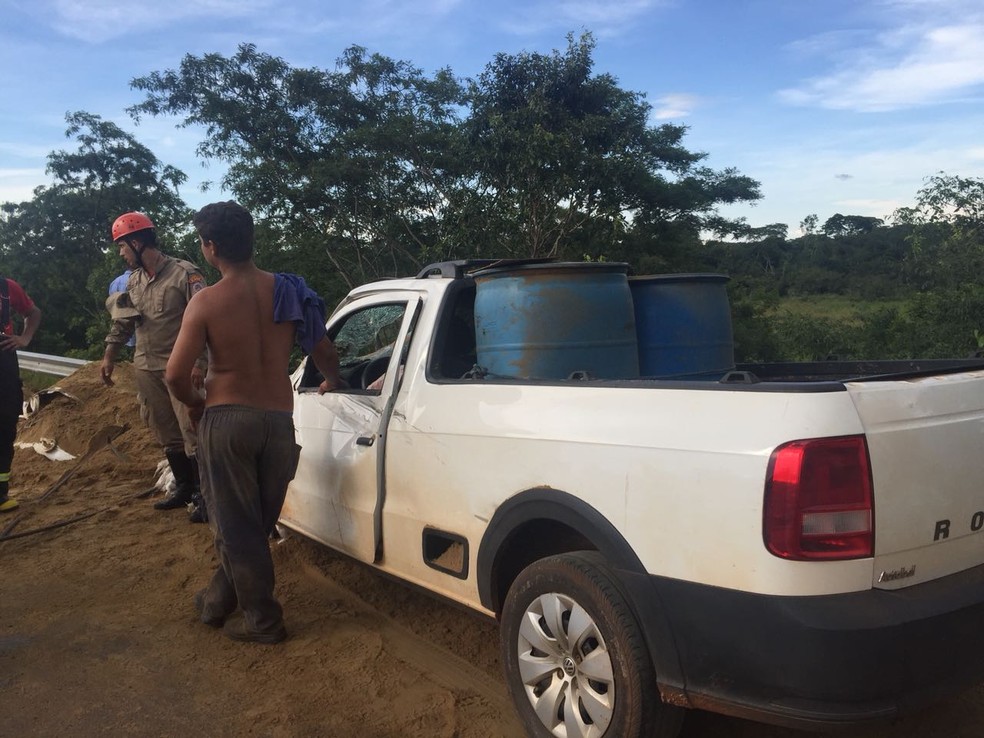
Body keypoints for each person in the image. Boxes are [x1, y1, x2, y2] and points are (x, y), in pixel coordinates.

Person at [165, 201, 342, 644]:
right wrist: (333, 382)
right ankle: (217, 600)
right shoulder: (290, 291)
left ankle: (263, 620)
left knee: (235, 525)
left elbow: (173, 375)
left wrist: (196, 403)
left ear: (210, 248)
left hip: (228, 420)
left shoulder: (206, 302)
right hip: (279, 421)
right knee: (254, 521)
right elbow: (324, 353)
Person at [101, 212, 208, 520]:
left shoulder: (185, 274)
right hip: (145, 368)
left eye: (122, 246)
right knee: (165, 431)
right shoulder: (131, 281)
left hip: (181, 369)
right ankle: (184, 488)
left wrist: (199, 363)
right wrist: (110, 355)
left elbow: (205, 322)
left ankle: (205, 495)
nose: (121, 253)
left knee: (193, 431)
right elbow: (123, 324)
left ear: (136, 242)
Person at [0, 275, 42, 513]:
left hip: (4, 363)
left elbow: (33, 312)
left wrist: (25, 338)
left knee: (5, 425)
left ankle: (0, 493)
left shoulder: (7, 287)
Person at [108, 269, 135, 348]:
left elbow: (111, 303)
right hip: (134, 326)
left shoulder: (114, 282)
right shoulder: (138, 281)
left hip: (118, 325)